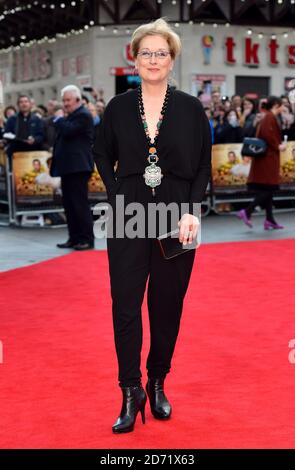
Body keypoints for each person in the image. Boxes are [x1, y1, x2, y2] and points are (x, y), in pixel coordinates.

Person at [93, 18, 212, 434]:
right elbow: (100, 152)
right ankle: (130, 390)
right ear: (135, 56)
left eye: (161, 52)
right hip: (128, 214)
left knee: (167, 305)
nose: (153, 59)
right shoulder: (118, 107)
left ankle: (157, 381)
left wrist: (194, 210)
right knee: (125, 305)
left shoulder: (192, 109)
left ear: (172, 58)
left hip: (176, 217)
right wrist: (115, 194)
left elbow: (202, 165)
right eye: (146, 52)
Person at [50, 85, 95, 250]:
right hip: (69, 167)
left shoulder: (83, 115)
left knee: (79, 204)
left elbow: (69, 131)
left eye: (68, 100)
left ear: (78, 100)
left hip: (78, 167)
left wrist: (59, 119)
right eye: (63, 100)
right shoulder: (71, 115)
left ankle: (86, 239)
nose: (65, 104)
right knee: (69, 204)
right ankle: (74, 237)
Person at [237, 96, 286, 230]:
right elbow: (267, 134)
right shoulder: (269, 117)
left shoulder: (267, 116)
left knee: (268, 190)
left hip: (267, 159)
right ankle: (247, 211)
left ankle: (270, 219)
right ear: (276, 105)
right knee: (269, 189)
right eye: (282, 105)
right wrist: (278, 146)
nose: (283, 108)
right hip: (268, 159)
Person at [3, 95, 44, 163]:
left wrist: (34, 140)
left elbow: (41, 135)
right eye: (21, 102)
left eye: (26, 101)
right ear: (18, 105)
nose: (24, 104)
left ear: (30, 104)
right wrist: (15, 138)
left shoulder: (36, 119)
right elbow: (6, 134)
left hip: (33, 154)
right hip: (16, 153)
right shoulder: (12, 119)